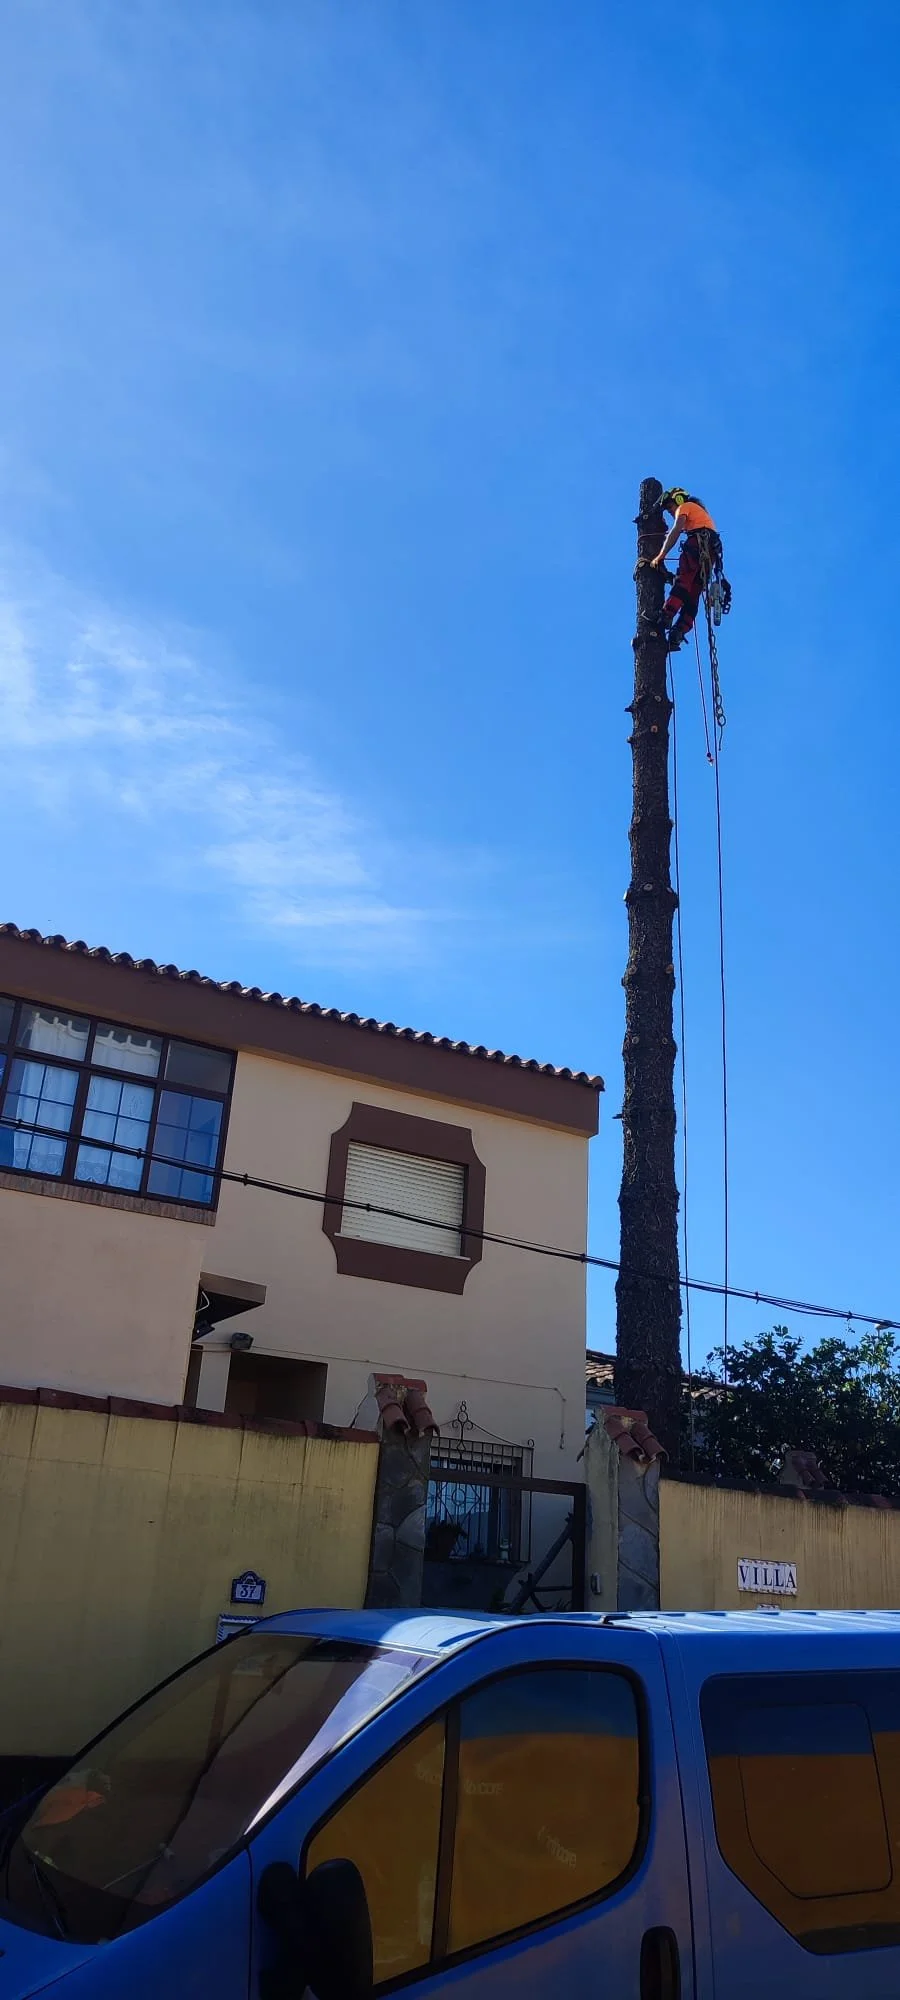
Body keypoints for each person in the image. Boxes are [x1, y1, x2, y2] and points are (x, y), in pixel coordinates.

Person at [649, 488, 724, 651]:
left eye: (670, 507)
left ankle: (666, 615)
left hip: (697, 545)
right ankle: (678, 632)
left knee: (684, 581)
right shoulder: (701, 516)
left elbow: (676, 531)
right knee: (692, 594)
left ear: (679, 500)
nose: (670, 512)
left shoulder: (685, 507)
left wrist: (660, 555)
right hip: (708, 554)